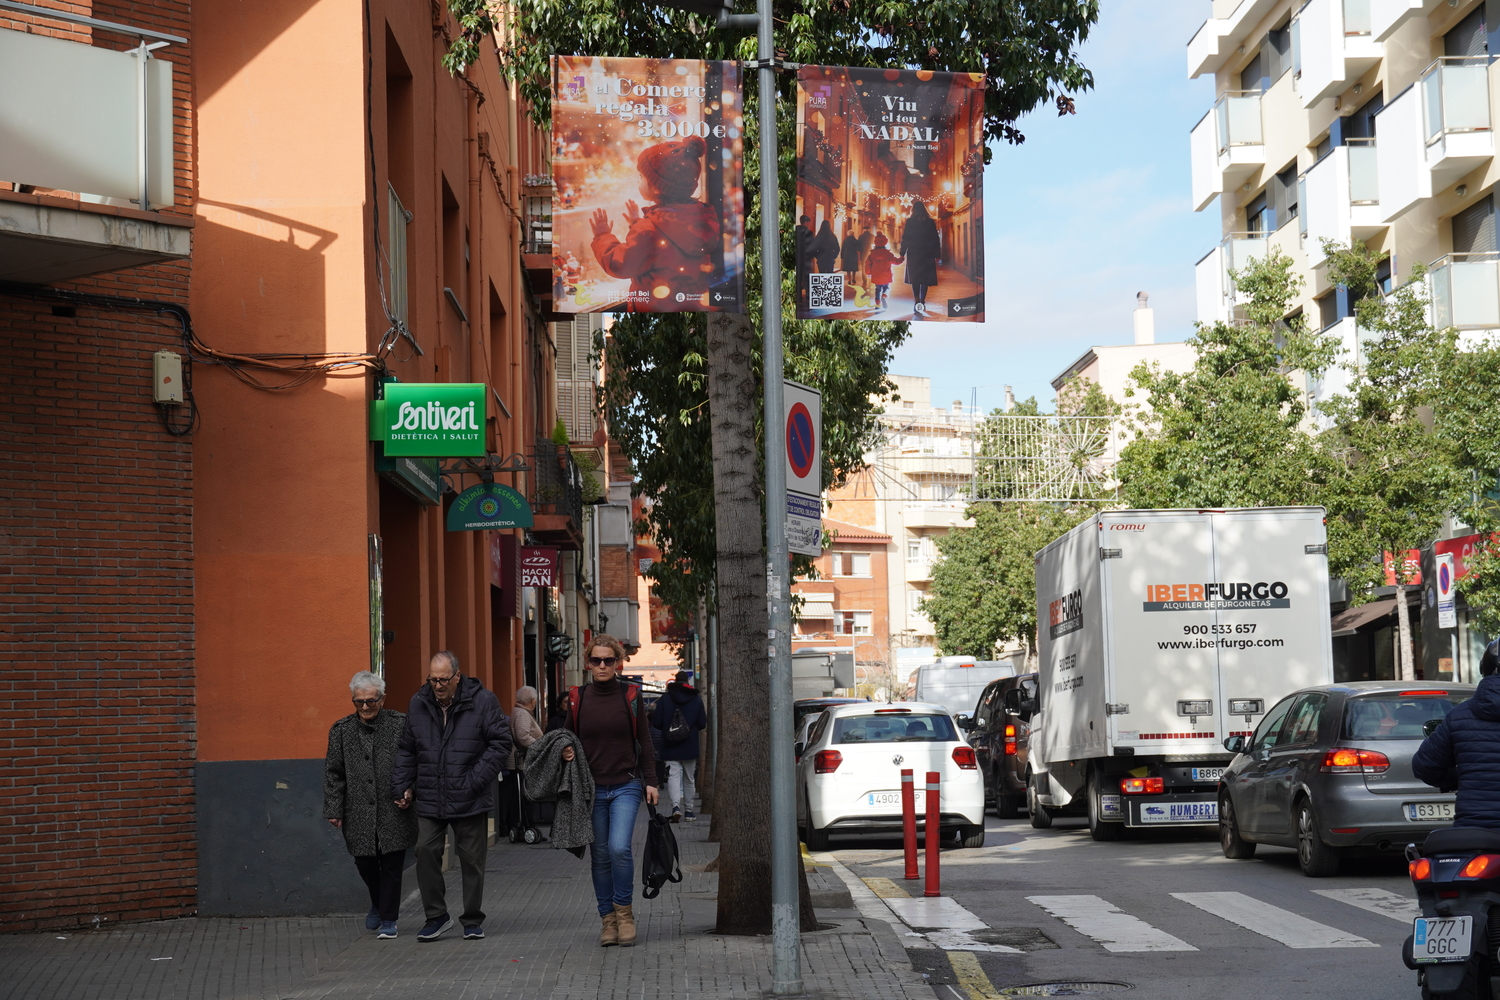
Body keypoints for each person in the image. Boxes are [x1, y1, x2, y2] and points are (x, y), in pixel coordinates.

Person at [393, 651, 511, 942]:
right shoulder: (418, 702)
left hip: (470, 796)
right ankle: (436, 916)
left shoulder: (484, 701)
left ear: (458, 676)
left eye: (443, 680)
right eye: (432, 679)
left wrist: (474, 780)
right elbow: (408, 749)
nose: (437, 686)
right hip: (430, 794)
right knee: (425, 852)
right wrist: (402, 784)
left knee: (472, 860)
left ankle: (472, 919)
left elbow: (501, 743)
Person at [561, 635, 658, 947]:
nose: (602, 666)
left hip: (626, 784)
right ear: (587, 663)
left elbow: (644, 739)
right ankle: (608, 921)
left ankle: (624, 914)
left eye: (608, 660)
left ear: (618, 663)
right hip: (591, 790)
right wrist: (565, 750)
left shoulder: (630, 695)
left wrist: (651, 781)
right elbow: (565, 737)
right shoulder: (577, 697)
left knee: (619, 848)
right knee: (600, 855)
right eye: (596, 660)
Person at [323, 670, 417, 940]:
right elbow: (333, 773)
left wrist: (411, 790)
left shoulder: (401, 724)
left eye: (371, 701)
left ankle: (388, 919)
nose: (365, 707)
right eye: (359, 701)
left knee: (392, 865)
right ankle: (378, 902)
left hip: (394, 808)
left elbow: (416, 762)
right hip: (358, 810)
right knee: (364, 862)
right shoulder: (341, 730)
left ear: (382, 699)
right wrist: (334, 808)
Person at [588, 136, 719, 312]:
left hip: (655, 308)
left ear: (657, 187)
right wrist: (638, 224)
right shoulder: (700, 216)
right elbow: (668, 245)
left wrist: (602, 236)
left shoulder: (649, 231)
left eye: (641, 176)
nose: (638, 181)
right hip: (693, 305)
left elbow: (620, 265)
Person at [1414, 640, 1500, 828]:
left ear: (1484, 668)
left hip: (1474, 828)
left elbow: (1424, 767)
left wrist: (1463, 776)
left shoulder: (1459, 715)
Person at [651, 669, 708, 823]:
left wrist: (668, 728)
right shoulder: (696, 699)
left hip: (670, 744)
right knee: (689, 779)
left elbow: (656, 722)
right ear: (687, 682)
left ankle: (675, 807)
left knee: (673, 777)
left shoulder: (665, 699)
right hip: (690, 744)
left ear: (675, 681)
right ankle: (689, 811)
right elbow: (702, 723)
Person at [501, 686, 546, 838]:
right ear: (532, 701)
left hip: (520, 762)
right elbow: (523, 737)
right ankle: (524, 827)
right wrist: (540, 747)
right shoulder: (522, 714)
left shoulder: (519, 712)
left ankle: (520, 826)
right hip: (520, 763)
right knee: (523, 798)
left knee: (518, 797)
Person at [899, 200, 942, 316]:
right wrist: (937, 254)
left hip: (914, 253)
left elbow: (906, 238)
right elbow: (935, 238)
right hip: (927, 253)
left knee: (915, 278)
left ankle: (916, 299)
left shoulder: (910, 221)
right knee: (925, 278)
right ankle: (922, 300)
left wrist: (902, 253)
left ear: (913, 210)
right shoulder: (930, 222)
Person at [863, 234, 904, 310]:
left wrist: (868, 273)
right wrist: (902, 258)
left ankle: (877, 304)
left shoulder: (872, 254)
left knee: (877, 289)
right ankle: (884, 295)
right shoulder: (888, 254)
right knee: (887, 287)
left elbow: (867, 264)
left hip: (876, 276)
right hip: (886, 275)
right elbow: (896, 261)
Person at [839, 223, 863, 302]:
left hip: (846, 255)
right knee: (853, 268)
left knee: (848, 269)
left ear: (848, 234)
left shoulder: (845, 240)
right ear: (853, 234)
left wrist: (842, 256)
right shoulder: (855, 240)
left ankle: (849, 279)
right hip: (853, 255)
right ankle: (854, 278)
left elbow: (842, 248)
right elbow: (859, 248)